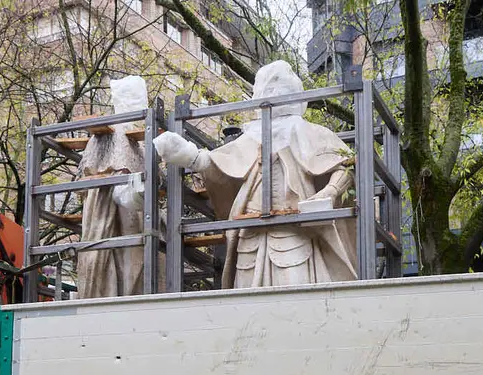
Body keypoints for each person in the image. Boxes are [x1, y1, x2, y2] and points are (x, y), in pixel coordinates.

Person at [153, 61, 357, 289]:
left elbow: (347, 166)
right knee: (247, 301)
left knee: (297, 298)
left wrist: (330, 191)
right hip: (250, 235)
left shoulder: (312, 133)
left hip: (295, 232)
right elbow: (224, 162)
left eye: (277, 89)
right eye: (267, 89)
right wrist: (191, 156)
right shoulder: (251, 136)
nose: (272, 93)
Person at [76, 75, 150, 297]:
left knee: (137, 257)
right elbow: (90, 179)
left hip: (134, 212)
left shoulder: (141, 136)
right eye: (135, 96)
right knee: (120, 261)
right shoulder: (112, 133)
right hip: (113, 212)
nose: (139, 101)